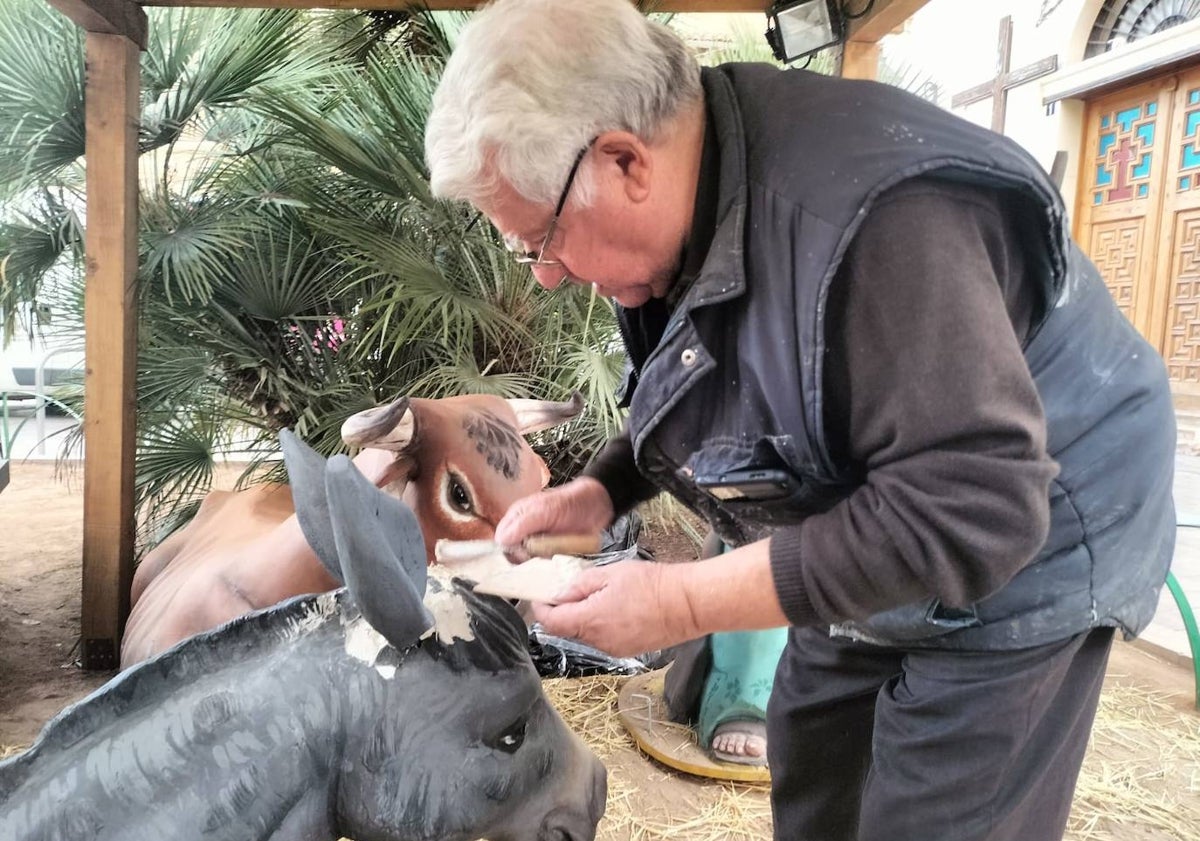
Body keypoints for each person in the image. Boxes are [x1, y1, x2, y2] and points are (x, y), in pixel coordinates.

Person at [423, 1, 1177, 838]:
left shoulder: (874, 228)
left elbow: (974, 508)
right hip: (872, 492)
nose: (549, 276)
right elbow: (705, 369)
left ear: (624, 161)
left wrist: (679, 601)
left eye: (542, 240)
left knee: (939, 807)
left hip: (1035, 525)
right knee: (817, 753)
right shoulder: (697, 190)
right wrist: (602, 491)